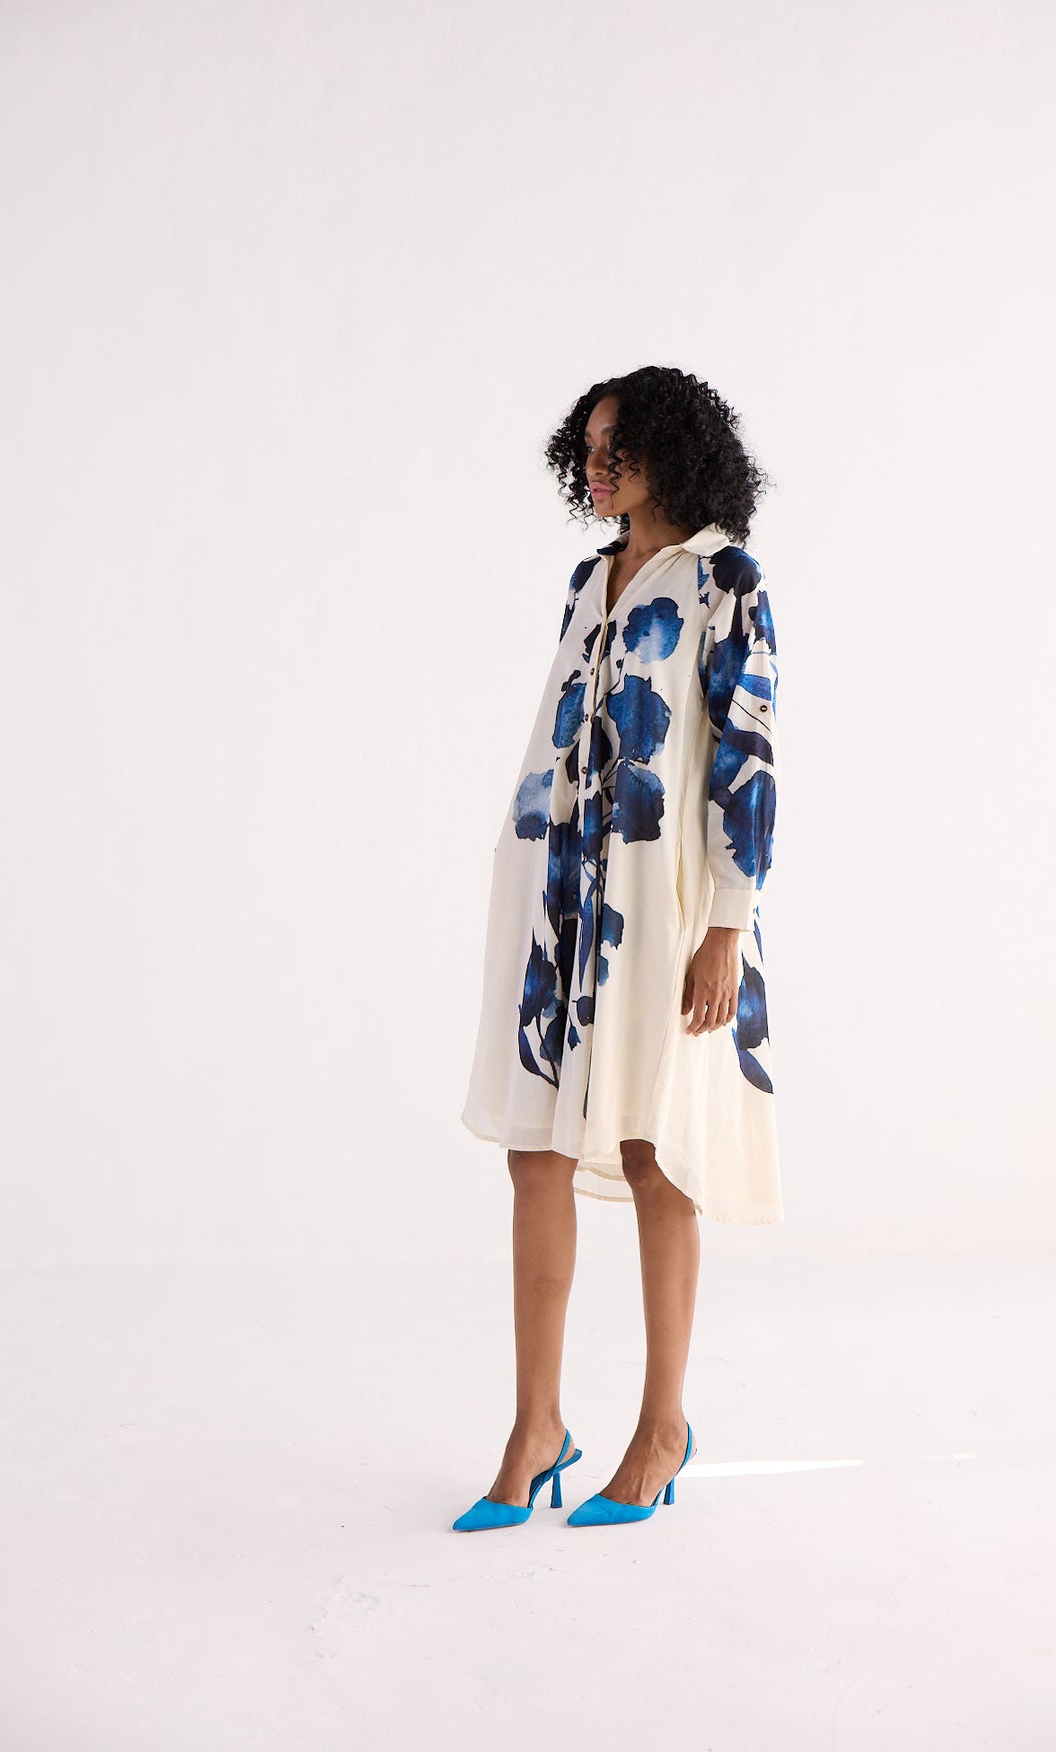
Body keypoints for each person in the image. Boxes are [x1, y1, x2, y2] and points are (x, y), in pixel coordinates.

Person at [455, 365, 783, 1531]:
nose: (596, 467)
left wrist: (727, 925)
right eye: (587, 446)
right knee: (533, 1155)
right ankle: (535, 1427)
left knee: (655, 1153)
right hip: (558, 898)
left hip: (668, 905)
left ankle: (662, 1427)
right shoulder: (588, 580)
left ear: (671, 449)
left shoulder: (725, 579)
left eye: (618, 446)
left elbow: (747, 755)